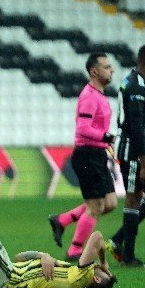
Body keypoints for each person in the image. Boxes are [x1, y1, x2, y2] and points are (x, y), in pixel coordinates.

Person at [48, 53, 118, 260]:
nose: (111, 70)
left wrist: (104, 142)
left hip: (97, 154)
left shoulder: (99, 95)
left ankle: (62, 220)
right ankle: (75, 251)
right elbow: (83, 128)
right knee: (96, 206)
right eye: (106, 67)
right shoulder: (88, 96)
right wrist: (105, 136)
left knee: (110, 203)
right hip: (87, 155)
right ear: (94, 71)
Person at [107, 44, 145, 268]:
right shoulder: (136, 86)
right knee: (133, 197)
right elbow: (136, 126)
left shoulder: (133, 81)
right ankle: (128, 257)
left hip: (135, 151)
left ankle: (118, 240)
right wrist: (143, 163)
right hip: (132, 151)